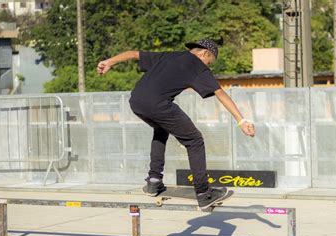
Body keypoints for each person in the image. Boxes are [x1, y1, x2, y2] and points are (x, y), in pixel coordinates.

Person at [97, 39, 255, 210]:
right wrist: (241, 120)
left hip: (136, 100)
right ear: (204, 53)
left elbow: (134, 54)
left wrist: (109, 62)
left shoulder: (169, 55)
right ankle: (204, 193)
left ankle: (154, 181)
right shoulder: (198, 66)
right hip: (158, 104)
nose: (208, 67)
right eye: (209, 63)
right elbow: (220, 93)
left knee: (160, 130)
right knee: (195, 140)